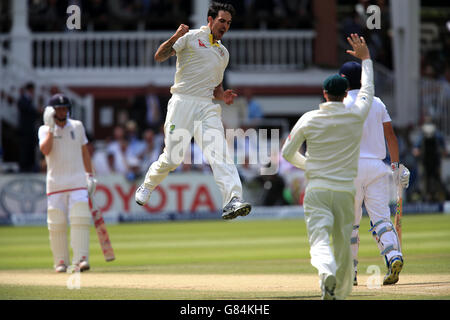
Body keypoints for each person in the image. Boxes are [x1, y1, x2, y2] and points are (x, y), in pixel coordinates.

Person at [135, 2, 251, 220]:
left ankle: (232, 199)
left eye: (228, 23)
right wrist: (176, 36)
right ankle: (148, 184)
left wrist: (222, 95)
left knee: (220, 153)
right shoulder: (191, 37)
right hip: (182, 101)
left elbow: (215, 87)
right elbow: (159, 56)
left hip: (207, 105)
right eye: (221, 21)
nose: (225, 26)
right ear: (210, 20)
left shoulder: (222, 53)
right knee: (173, 158)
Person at [282, 34, 373, 300]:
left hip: (318, 189)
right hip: (345, 191)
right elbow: (367, 91)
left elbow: (288, 153)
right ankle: (337, 294)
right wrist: (366, 59)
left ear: (324, 93)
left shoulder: (309, 119)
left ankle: (326, 271)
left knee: (319, 240)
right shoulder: (356, 115)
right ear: (345, 95)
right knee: (343, 244)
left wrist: (309, 165)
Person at [339, 61, 410, 286]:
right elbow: (391, 136)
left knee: (349, 223)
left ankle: (350, 272)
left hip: (349, 169)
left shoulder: (340, 104)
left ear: (343, 79)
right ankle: (393, 256)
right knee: (381, 219)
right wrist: (396, 167)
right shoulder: (377, 102)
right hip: (377, 168)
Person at [38, 94, 97, 273]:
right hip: (55, 184)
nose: (62, 111)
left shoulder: (77, 126)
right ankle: (60, 261)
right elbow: (45, 150)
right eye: (58, 109)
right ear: (51, 111)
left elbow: (85, 152)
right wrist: (50, 128)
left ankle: (81, 259)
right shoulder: (44, 130)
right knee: (57, 223)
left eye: (64, 108)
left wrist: (90, 175)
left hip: (77, 181)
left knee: (80, 218)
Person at [17, 82, 41, 172]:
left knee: (31, 147)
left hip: (31, 129)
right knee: (24, 148)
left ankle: (30, 166)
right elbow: (26, 109)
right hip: (25, 129)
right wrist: (36, 111)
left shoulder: (30, 99)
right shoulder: (23, 99)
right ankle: (24, 167)